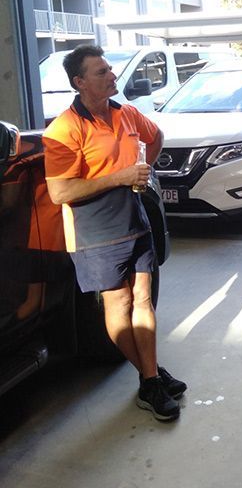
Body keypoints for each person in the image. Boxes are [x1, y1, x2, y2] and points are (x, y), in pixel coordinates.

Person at [43, 45, 186, 422]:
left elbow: (155, 137)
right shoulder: (63, 129)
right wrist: (121, 177)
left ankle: (150, 375)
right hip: (96, 231)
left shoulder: (127, 113)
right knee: (119, 304)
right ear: (79, 82)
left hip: (134, 218)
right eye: (101, 72)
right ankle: (150, 376)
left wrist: (143, 168)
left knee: (143, 299)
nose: (112, 76)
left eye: (110, 69)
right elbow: (60, 191)